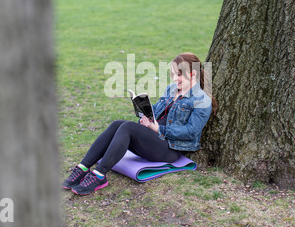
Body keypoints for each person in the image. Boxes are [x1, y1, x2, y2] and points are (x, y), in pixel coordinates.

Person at [62, 52, 217, 195]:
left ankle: (99, 175)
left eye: (179, 75)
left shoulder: (202, 100)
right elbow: (157, 110)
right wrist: (145, 113)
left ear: (193, 73)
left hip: (170, 148)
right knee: (118, 124)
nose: (175, 79)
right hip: (154, 137)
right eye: (173, 74)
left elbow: (191, 132)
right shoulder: (172, 89)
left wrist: (158, 128)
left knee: (128, 127)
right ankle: (82, 168)